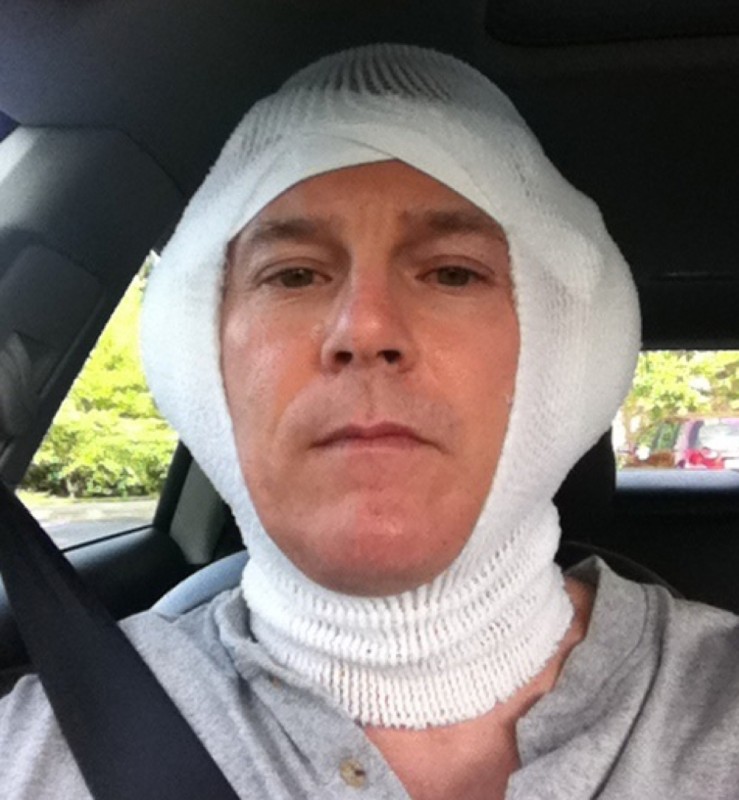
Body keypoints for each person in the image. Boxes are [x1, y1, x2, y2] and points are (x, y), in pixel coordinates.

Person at [3, 43, 739, 800]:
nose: (365, 328)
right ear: (200, 348)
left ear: (561, 345)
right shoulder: (36, 751)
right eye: (294, 274)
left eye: (452, 272)